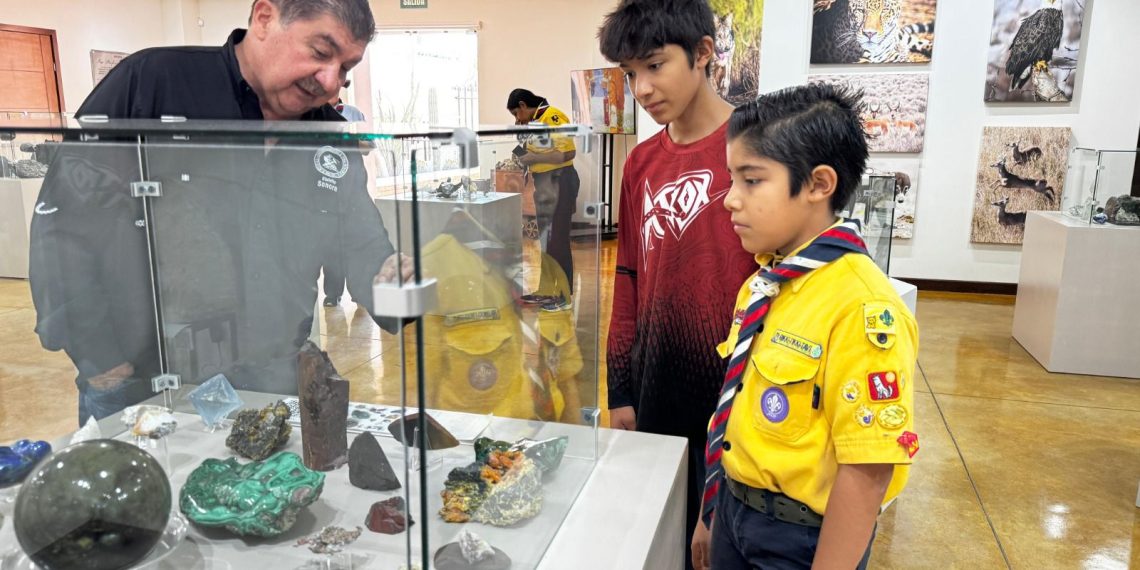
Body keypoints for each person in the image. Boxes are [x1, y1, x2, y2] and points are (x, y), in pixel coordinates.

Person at [28, 0, 411, 425]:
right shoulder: (154, 81)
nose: (331, 82)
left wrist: (394, 280)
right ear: (264, 18)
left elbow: (360, 241)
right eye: (321, 53)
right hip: (148, 378)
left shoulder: (326, 138)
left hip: (273, 374)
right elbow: (64, 230)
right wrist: (98, 357)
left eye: (346, 68)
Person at [694, 83, 919, 570]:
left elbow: (868, 467)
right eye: (732, 178)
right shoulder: (764, 284)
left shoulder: (862, 307)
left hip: (798, 540)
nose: (731, 200)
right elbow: (733, 412)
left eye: (751, 181)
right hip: (734, 509)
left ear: (819, 184)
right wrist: (710, 514)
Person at [597, 1, 757, 567]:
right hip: (657, 377)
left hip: (740, 385)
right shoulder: (641, 162)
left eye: (654, 66)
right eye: (630, 72)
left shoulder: (758, 146)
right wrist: (620, 386)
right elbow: (628, 276)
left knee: (723, 543)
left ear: (704, 54)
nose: (640, 88)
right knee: (661, 538)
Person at [506, 88, 579, 309]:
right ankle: (547, 290)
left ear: (522, 105)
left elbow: (568, 153)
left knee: (558, 240)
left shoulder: (552, 117)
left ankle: (563, 296)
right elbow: (528, 151)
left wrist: (532, 157)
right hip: (543, 185)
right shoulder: (533, 123)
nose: (517, 119)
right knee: (546, 242)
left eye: (516, 114)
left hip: (560, 182)